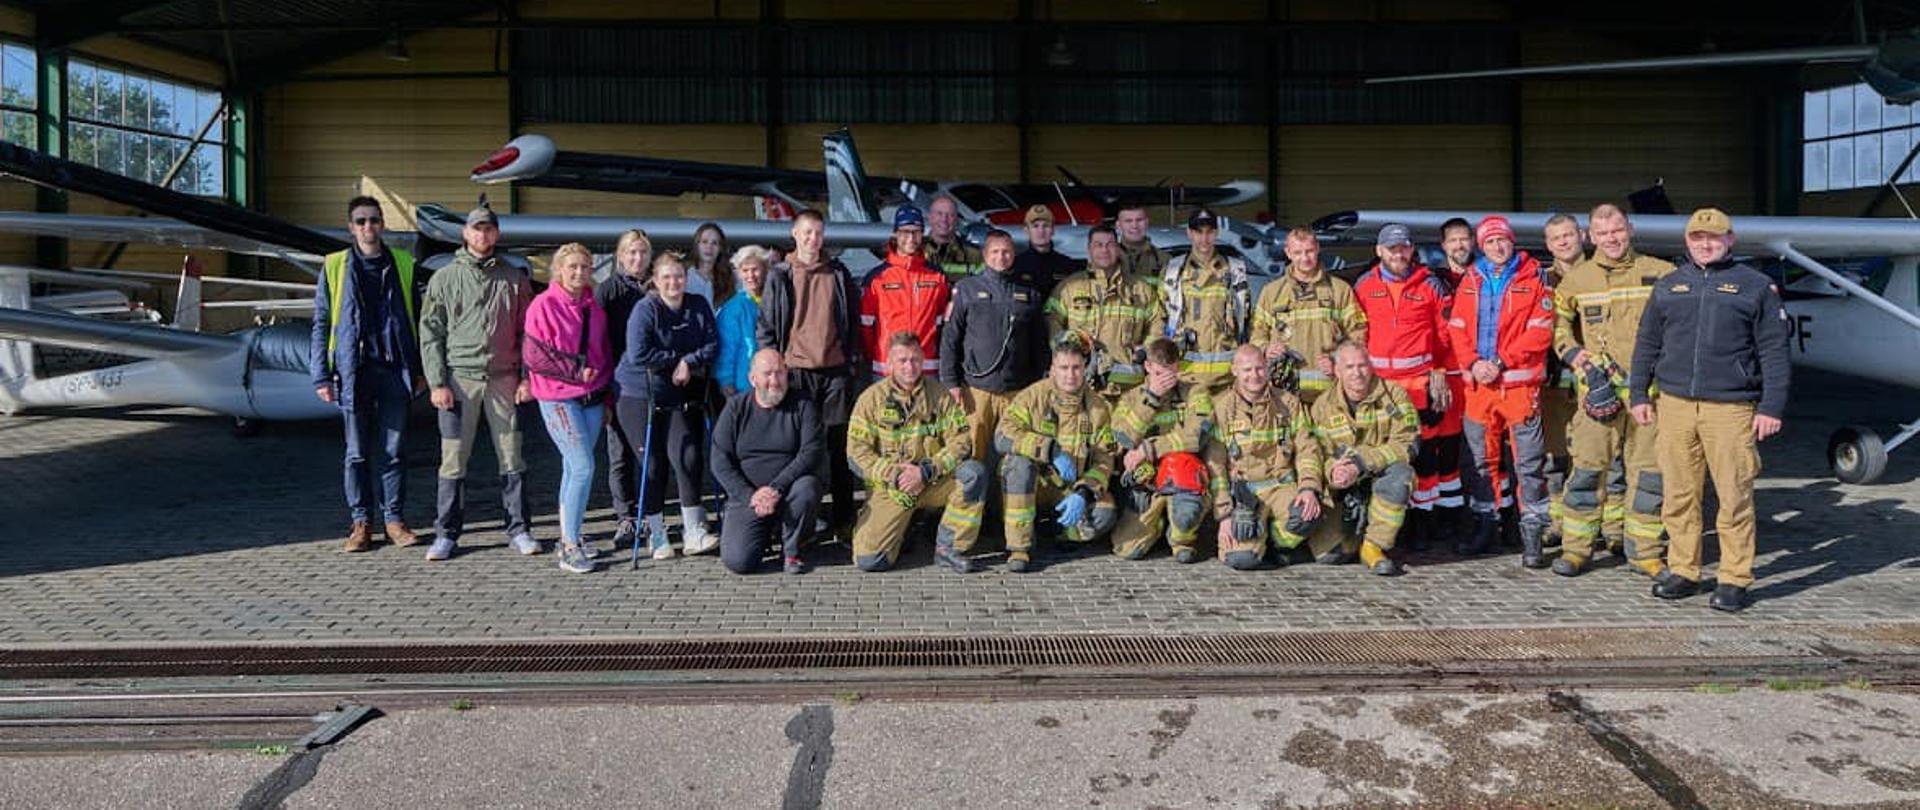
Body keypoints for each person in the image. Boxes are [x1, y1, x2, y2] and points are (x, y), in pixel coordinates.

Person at [1633, 208, 1790, 613]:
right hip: (1675, 405)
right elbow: (1647, 344)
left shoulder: (1756, 287)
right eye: (1698, 237)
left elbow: (1774, 351)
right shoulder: (1669, 286)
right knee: (1679, 494)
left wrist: (1771, 405)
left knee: (1734, 495)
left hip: (1732, 408)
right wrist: (1638, 394)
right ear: (1687, 241)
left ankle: (1735, 578)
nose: (1706, 244)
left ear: (1730, 240)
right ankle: (1684, 570)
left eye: (1714, 237)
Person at [1554, 205, 1676, 578]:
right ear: (1591, 237)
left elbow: (1684, 327)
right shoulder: (1577, 280)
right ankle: (1576, 550)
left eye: (1618, 230)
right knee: (1588, 471)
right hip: (1598, 393)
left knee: (1651, 477)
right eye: (1603, 233)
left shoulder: (1661, 273)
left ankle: (1645, 554)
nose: (1612, 239)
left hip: (1649, 398)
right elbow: (1557, 329)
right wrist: (1580, 361)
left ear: (1630, 229)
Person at [419, 204, 535, 561]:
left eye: (489, 229)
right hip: (459, 380)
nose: (483, 235)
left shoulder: (514, 278)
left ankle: (519, 530)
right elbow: (430, 333)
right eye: (476, 229)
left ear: (496, 234)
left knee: (512, 456)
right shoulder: (445, 278)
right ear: (465, 234)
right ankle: (446, 534)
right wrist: (437, 382)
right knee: (453, 459)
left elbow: (529, 332)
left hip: (503, 379)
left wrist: (527, 377)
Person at [309, 195, 425, 553]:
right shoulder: (334, 266)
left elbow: (417, 319)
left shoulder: (404, 263)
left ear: (383, 224)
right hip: (353, 371)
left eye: (374, 220)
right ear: (350, 226)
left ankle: (394, 519)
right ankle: (361, 523)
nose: (368, 227)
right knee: (356, 452)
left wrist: (420, 370)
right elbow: (321, 322)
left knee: (394, 450)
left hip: (394, 370)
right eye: (360, 221)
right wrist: (321, 376)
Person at [1447, 215, 1555, 566]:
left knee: (1528, 463)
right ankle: (1486, 527)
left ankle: (1532, 533)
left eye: (1502, 240)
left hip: (1519, 385)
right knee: (1482, 462)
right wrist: (1474, 362)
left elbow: (1540, 331)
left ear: (1512, 242)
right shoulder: (1471, 280)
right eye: (1490, 241)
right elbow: (1458, 327)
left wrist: (1501, 361)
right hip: (1480, 386)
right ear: (1482, 245)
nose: (1497, 246)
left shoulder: (1534, 278)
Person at [1351, 223, 1462, 551]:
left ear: (1411, 250)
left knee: (1424, 458)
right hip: (1379, 391)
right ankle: (1384, 523)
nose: (1398, 254)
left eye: (1403, 248)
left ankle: (1422, 523)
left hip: (1418, 388)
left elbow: (1445, 333)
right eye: (1391, 248)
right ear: (1379, 251)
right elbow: (1358, 333)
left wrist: (1438, 371)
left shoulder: (1430, 285)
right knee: (1384, 456)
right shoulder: (1364, 286)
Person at [757, 209, 865, 538]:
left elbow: (852, 321)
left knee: (838, 447)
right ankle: (805, 518)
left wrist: (850, 364)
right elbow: (767, 327)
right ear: (794, 234)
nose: (812, 239)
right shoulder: (781, 274)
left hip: (834, 373)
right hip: (797, 373)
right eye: (806, 232)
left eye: (818, 232)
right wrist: (773, 367)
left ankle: (845, 520)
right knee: (801, 448)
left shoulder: (838, 272)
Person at [847, 333, 987, 574]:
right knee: (870, 561)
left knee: (973, 474)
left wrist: (926, 470)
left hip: (933, 480)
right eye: (902, 360)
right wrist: (895, 475)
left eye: (914, 359)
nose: (909, 366)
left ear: (923, 359)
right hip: (894, 487)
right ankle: (900, 529)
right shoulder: (871, 399)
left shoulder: (940, 395)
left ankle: (949, 548)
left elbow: (962, 441)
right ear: (889, 362)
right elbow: (856, 453)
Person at [617, 253, 720, 559]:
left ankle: (694, 530)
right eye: (667, 277)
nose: (674, 282)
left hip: (678, 392)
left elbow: (712, 344)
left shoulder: (697, 305)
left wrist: (689, 361)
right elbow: (638, 353)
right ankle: (657, 533)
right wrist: (676, 361)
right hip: (639, 393)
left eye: (678, 276)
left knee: (687, 455)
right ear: (656, 280)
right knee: (653, 463)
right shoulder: (646, 309)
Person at [523, 243, 613, 574]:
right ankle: (570, 546)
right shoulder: (542, 305)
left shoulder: (594, 308)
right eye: (572, 266)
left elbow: (603, 354)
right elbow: (534, 355)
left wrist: (606, 397)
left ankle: (569, 534)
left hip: (590, 397)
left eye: (585, 267)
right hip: (557, 396)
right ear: (559, 269)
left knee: (574, 468)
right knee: (583, 466)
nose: (578, 272)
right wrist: (574, 372)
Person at [996, 333, 1118, 572]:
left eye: (1076, 368)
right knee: (1018, 465)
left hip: (1069, 488)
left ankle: (1058, 532)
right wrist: (1049, 449)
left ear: (1085, 368)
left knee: (1105, 513)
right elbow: (1003, 436)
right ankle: (1019, 548)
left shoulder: (1098, 408)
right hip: (1034, 484)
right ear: (1053, 368)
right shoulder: (1033, 397)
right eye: (1063, 368)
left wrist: (1084, 492)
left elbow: (1104, 460)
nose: (1070, 375)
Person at [1306, 342, 1420, 575]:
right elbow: (1318, 452)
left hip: (1381, 477)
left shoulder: (1394, 395)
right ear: (1337, 371)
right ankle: (1357, 535)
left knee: (1401, 477)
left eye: (1362, 365)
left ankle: (1374, 545)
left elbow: (1409, 444)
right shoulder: (1322, 406)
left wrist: (1361, 463)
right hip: (1344, 489)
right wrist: (1334, 472)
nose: (1357, 373)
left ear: (1371, 366)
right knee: (1329, 556)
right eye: (1349, 367)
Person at [1208, 345, 1324, 570]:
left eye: (1260, 368)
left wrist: (1308, 488)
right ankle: (1254, 542)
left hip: (1281, 487)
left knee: (1307, 516)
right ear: (1234, 371)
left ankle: (1277, 543)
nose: (1255, 375)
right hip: (1244, 497)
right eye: (1247, 370)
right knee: (1242, 560)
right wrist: (1224, 517)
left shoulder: (1288, 403)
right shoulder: (1221, 409)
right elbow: (1216, 466)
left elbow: (1307, 448)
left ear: (1267, 368)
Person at [941, 228, 1051, 462]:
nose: (1001, 257)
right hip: (976, 391)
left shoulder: (1028, 293)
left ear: (1013, 254)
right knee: (971, 456)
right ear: (985, 254)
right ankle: (974, 500)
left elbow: (1040, 344)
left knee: (1015, 456)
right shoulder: (966, 289)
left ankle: (1008, 500)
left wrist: (1042, 383)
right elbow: (951, 338)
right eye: (995, 252)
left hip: (1018, 392)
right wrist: (951, 383)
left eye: (1006, 252)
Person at [710, 349, 823, 575]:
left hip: (789, 490)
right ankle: (767, 532)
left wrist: (775, 488)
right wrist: (749, 495)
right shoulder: (735, 408)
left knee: (808, 488)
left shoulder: (803, 404)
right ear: (753, 379)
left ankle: (792, 550)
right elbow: (719, 459)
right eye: (767, 374)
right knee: (738, 561)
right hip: (749, 496)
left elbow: (811, 452)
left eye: (780, 373)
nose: (775, 381)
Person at [1109, 338, 1215, 562]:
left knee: (1183, 471)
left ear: (1178, 367)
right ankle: (1155, 524)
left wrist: (1150, 447)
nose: (1167, 380)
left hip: (1181, 477)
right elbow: (1124, 439)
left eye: (1171, 373)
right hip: (1146, 479)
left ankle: (1181, 538)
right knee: (1128, 550)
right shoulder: (1130, 398)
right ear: (1147, 366)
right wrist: (1152, 397)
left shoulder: (1195, 393)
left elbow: (1197, 437)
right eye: (1159, 374)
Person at [1045, 224, 1162, 404]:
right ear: (1089, 249)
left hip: (1129, 391)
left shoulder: (1141, 290)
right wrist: (1066, 347)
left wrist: (1145, 351)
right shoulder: (1069, 288)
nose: (1104, 250)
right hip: (1083, 390)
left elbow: (1158, 324)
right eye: (1098, 245)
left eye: (1109, 244)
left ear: (1117, 248)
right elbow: (1051, 324)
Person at [1251, 225, 1368, 402]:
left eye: (1309, 251)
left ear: (1318, 249)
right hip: (1285, 393)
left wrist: (1338, 361)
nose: (1304, 258)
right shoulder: (1272, 292)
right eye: (1298, 253)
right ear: (1288, 252)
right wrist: (1266, 348)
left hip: (1329, 393)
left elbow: (1358, 333)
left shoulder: (1339, 290)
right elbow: (1256, 333)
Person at [596, 229, 653, 548]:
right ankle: (625, 517)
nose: (637, 258)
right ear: (620, 255)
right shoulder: (609, 291)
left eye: (642, 253)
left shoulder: (654, 288)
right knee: (619, 455)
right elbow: (599, 342)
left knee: (647, 452)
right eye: (631, 252)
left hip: (649, 383)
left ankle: (648, 513)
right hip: (618, 383)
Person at [1160, 208, 1251, 392]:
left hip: (1227, 379)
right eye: (1198, 232)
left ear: (1217, 233)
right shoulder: (1173, 271)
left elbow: (1247, 322)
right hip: (1185, 378)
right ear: (1189, 233)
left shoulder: (1235, 270)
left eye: (1209, 232)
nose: (1204, 238)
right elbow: (1160, 319)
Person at [1538, 214, 1587, 551]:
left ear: (1581, 235)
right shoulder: (1541, 281)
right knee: (1555, 457)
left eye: (1569, 235)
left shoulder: (1601, 276)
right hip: (1554, 381)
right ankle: (1559, 522)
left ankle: (1596, 524)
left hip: (1594, 382)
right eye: (1556, 238)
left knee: (1595, 457)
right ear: (1548, 244)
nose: (1564, 242)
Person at [860, 206, 950, 379]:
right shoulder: (877, 279)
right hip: (887, 369)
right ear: (895, 233)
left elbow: (943, 326)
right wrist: (880, 356)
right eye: (905, 232)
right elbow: (866, 329)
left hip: (926, 368)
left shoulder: (937, 276)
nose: (911, 238)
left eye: (916, 232)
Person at [715, 245, 770, 398]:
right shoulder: (733, 308)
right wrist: (726, 380)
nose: (750, 275)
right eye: (745, 270)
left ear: (765, 269)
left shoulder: (775, 301)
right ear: (738, 273)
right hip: (742, 385)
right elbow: (726, 348)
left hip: (771, 384)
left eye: (755, 269)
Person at [1011, 204, 1080, 298]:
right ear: (1027, 230)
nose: (1041, 231)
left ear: (1053, 230)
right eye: (1035, 226)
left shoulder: (1068, 266)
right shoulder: (1015, 266)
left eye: (1046, 226)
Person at [924, 195, 982, 279]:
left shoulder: (974, 254)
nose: (944, 219)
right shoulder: (915, 250)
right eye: (939, 214)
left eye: (950, 215)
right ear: (930, 218)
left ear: (957, 220)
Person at [689, 222, 736, 309]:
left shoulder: (732, 277)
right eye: (704, 242)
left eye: (714, 243)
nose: (709, 247)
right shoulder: (685, 278)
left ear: (720, 248)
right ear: (697, 245)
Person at [1115, 204, 1166, 282]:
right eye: (1128, 221)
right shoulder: (1107, 257)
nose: (1134, 226)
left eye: (1139, 220)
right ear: (1118, 225)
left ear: (1147, 222)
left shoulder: (1163, 259)